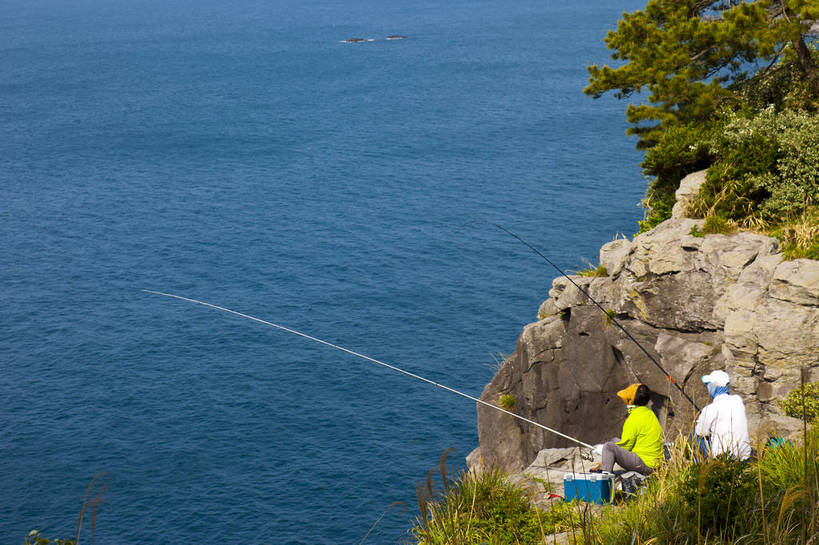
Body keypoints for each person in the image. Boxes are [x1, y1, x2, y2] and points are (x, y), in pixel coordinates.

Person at [599, 383, 664, 475]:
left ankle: (604, 475)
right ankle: (605, 467)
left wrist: (606, 451)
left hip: (645, 465)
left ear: (630, 401)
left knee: (609, 447)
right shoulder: (649, 413)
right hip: (655, 463)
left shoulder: (633, 418)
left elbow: (626, 445)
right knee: (614, 440)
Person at [694, 370, 751, 460]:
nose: (707, 387)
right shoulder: (738, 400)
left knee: (695, 435)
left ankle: (703, 466)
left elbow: (700, 432)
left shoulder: (709, 409)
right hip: (745, 456)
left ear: (714, 387)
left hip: (723, 459)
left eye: (708, 384)